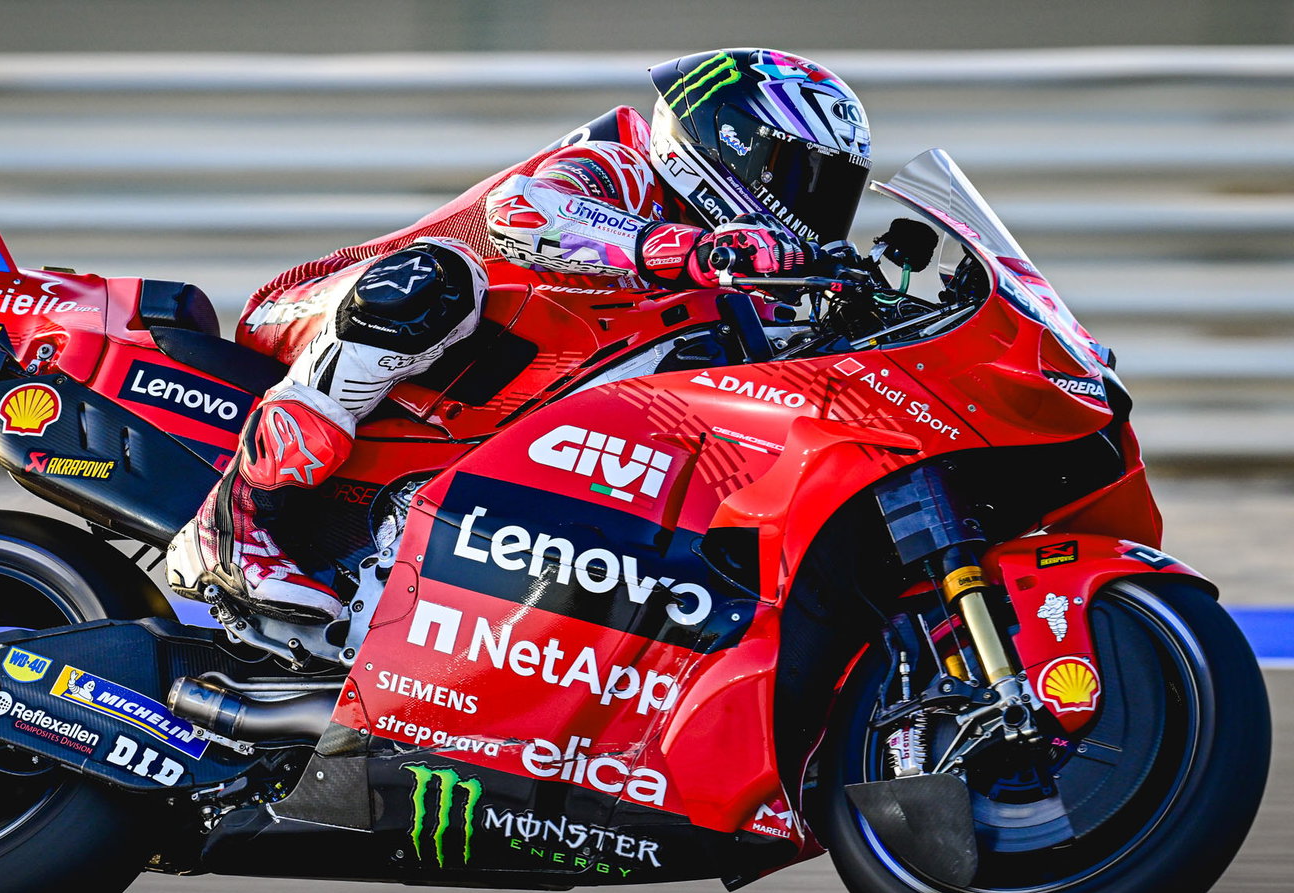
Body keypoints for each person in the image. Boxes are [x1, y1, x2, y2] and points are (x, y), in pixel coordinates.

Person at [166, 48, 873, 624]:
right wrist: (689, 248)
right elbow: (524, 211)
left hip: (455, 404)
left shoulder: (736, 286)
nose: (814, 206)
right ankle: (235, 517)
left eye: (833, 190)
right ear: (733, 144)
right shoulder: (623, 165)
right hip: (315, 312)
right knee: (439, 278)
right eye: (800, 176)